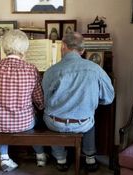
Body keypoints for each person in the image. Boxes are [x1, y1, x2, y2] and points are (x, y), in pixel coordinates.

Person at [41, 32, 115, 172]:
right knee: (89, 116)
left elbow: (45, 100)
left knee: (47, 114)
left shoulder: (51, 71)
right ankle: (90, 158)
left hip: (55, 123)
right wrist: (89, 100)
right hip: (83, 123)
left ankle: (60, 159)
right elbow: (109, 98)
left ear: (63, 46)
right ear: (82, 50)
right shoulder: (96, 69)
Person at [0, 29, 45, 172]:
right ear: (24, 49)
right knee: (39, 118)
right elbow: (38, 98)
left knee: (0, 118)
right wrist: (41, 107)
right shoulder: (30, 69)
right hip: (25, 123)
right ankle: (40, 154)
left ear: (4, 47)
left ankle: (4, 157)